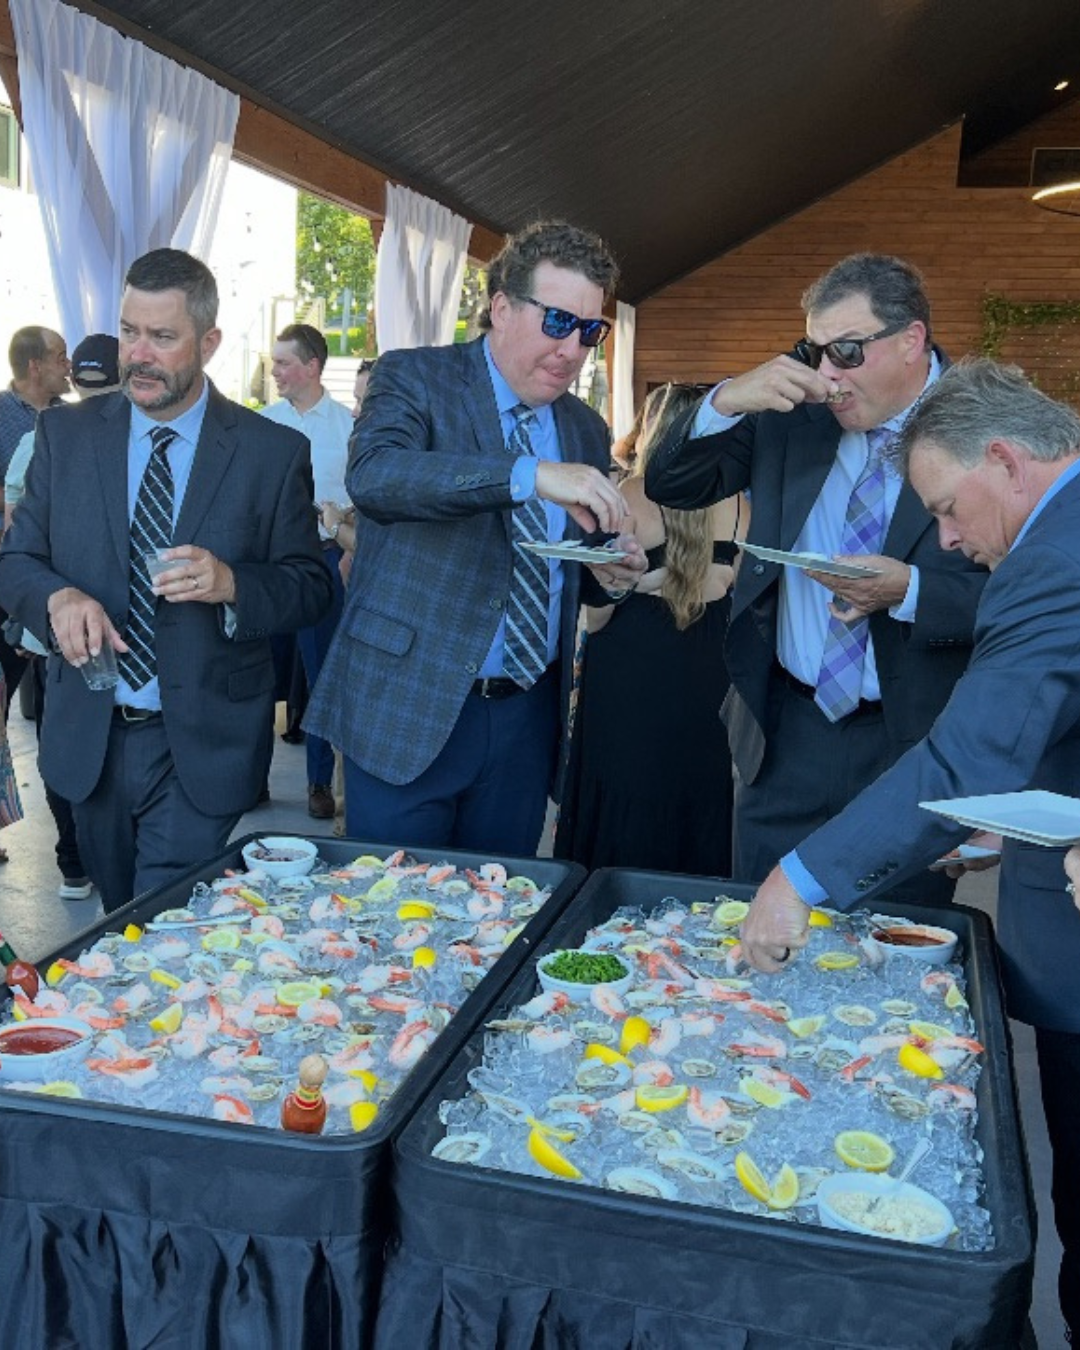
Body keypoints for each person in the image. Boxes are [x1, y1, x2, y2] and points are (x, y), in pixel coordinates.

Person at [739, 358, 1080, 1344]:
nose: (950, 542)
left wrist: (795, 879)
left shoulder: (1049, 559)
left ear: (1008, 462)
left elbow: (965, 752)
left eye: (946, 508)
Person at [645, 254, 988, 903]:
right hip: (785, 733)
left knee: (892, 951)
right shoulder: (790, 414)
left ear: (911, 339)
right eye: (815, 349)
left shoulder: (987, 423)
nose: (828, 372)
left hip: (912, 743)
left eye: (848, 351)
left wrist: (912, 592)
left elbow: (1033, 597)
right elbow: (673, 484)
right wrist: (724, 400)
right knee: (760, 928)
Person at [0, 248, 333, 912]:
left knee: (162, 919)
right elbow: (15, 563)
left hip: (202, 743)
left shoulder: (270, 453)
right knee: (118, 912)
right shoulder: (65, 434)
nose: (138, 354)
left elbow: (310, 587)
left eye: (162, 336)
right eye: (129, 331)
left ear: (208, 342)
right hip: (88, 736)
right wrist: (56, 597)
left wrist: (234, 583)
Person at [305, 219, 645, 855]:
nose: (572, 349)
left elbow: (572, 568)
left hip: (523, 718)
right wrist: (527, 474)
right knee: (393, 915)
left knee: (500, 914)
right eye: (556, 323)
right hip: (409, 706)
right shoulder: (417, 378)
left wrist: (610, 572)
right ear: (500, 309)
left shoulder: (581, 427)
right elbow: (378, 478)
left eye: (589, 331)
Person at [555, 382, 744, 874]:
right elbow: (735, 585)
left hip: (633, 670)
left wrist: (644, 585)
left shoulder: (629, 496)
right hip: (709, 667)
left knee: (624, 791)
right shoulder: (743, 500)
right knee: (700, 791)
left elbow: (597, 615)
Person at [3, 333, 122, 901]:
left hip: (52, 618)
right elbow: (14, 529)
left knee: (64, 734)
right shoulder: (47, 435)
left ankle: (80, 857)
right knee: (62, 738)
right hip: (49, 616)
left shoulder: (50, 431)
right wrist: (44, 596)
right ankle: (76, 857)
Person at [261, 323, 354, 820]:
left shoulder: (347, 427)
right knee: (258, 673)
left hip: (321, 562)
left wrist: (345, 538)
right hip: (267, 566)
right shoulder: (259, 424)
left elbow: (364, 502)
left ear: (312, 366)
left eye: (282, 362)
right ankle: (251, 777)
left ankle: (319, 782)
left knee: (320, 674)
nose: (273, 370)